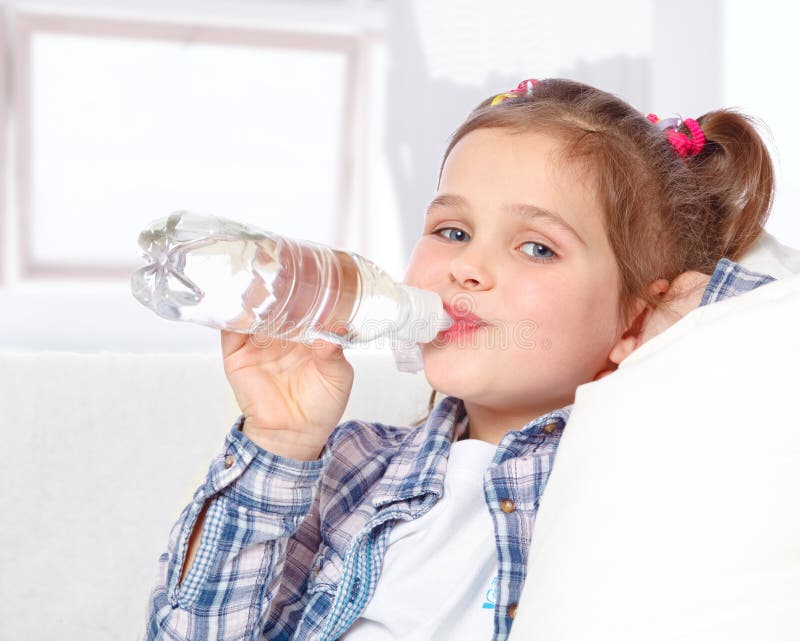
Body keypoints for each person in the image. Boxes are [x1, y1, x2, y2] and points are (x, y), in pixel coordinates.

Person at [142, 78, 777, 641]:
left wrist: (664, 313)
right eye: (452, 232)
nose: (467, 267)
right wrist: (278, 444)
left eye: (536, 248)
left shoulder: (639, 476)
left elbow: (777, 326)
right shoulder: (352, 466)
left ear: (641, 313)